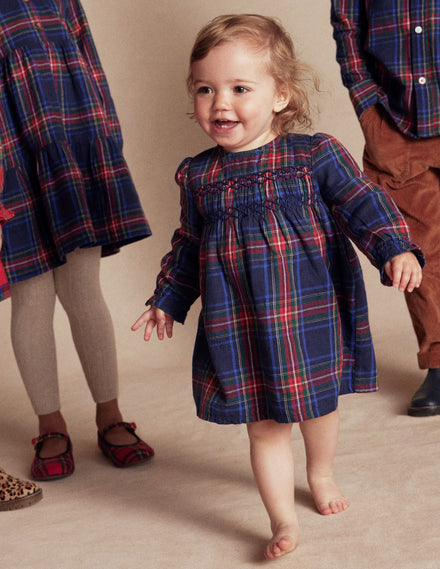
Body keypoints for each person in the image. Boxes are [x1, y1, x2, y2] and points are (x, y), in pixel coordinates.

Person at [132, 14, 423, 560]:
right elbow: (189, 244)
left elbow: (364, 204)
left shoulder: (313, 155)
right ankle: (281, 520)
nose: (220, 103)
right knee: (263, 425)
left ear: (281, 96)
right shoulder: (198, 176)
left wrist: (395, 249)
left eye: (240, 88)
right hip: (240, 324)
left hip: (308, 314)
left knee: (318, 409)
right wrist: (166, 299)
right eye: (205, 89)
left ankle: (321, 473)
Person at [0, 0, 154, 481]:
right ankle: (50, 425)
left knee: (84, 290)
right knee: (32, 298)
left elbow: (90, 64)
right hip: (9, 163)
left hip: (74, 146)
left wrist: (108, 143)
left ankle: (110, 415)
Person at [331, 0, 440, 416]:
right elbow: (347, 25)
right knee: (421, 248)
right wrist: (367, 107)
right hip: (396, 119)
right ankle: (439, 361)